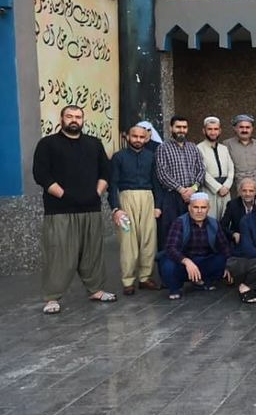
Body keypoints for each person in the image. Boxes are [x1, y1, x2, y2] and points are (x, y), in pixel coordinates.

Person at [33, 105, 116, 314]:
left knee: (92, 252)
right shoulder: (47, 144)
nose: (74, 120)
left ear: (82, 120)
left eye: (78, 117)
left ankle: (95, 289)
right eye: (69, 116)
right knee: (59, 254)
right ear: (61, 119)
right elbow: (41, 175)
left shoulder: (94, 144)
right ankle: (52, 297)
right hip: (60, 210)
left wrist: (96, 193)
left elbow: (106, 173)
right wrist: (64, 195)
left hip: (91, 208)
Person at [109, 123, 163, 295]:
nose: (138, 140)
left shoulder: (151, 156)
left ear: (146, 138)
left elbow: (157, 183)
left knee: (149, 239)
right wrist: (116, 208)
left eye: (142, 137)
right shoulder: (119, 157)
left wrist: (158, 206)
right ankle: (128, 280)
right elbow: (112, 185)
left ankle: (145, 277)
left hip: (148, 199)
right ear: (127, 137)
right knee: (128, 241)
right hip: (127, 200)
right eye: (135, 136)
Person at [159, 192, 232, 300]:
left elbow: (224, 247)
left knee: (221, 260)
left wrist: (229, 265)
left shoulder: (214, 223)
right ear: (189, 208)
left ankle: (202, 281)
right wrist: (186, 261)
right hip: (183, 264)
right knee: (167, 264)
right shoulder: (179, 222)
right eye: (196, 207)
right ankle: (175, 288)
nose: (199, 211)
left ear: (208, 209)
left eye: (203, 207)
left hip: (203, 261)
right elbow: (171, 248)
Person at [154, 115, 205, 250]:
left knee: (193, 231)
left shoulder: (193, 147)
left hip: (193, 196)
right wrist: (181, 190)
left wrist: (193, 189)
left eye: (184, 127)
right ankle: (170, 264)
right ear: (171, 128)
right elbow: (162, 174)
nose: (181, 130)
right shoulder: (163, 148)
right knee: (171, 232)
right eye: (178, 127)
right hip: (172, 197)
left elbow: (201, 170)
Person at [224, 113, 256, 195]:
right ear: (235, 128)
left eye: (247, 127)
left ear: (252, 129)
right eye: (241, 127)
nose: (244, 130)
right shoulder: (226, 144)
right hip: (236, 186)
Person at [197, 116, 235, 221]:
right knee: (210, 220)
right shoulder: (198, 148)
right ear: (204, 131)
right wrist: (218, 188)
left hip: (225, 190)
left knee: (226, 220)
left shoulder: (224, 148)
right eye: (210, 129)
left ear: (220, 131)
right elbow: (202, 171)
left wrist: (226, 186)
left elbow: (231, 168)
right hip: (210, 190)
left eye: (215, 129)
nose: (213, 132)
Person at [220, 177, 256, 245]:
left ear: (255, 192)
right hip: (239, 242)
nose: (247, 194)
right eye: (244, 191)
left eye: (251, 191)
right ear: (240, 191)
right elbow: (222, 226)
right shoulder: (232, 204)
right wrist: (233, 234)